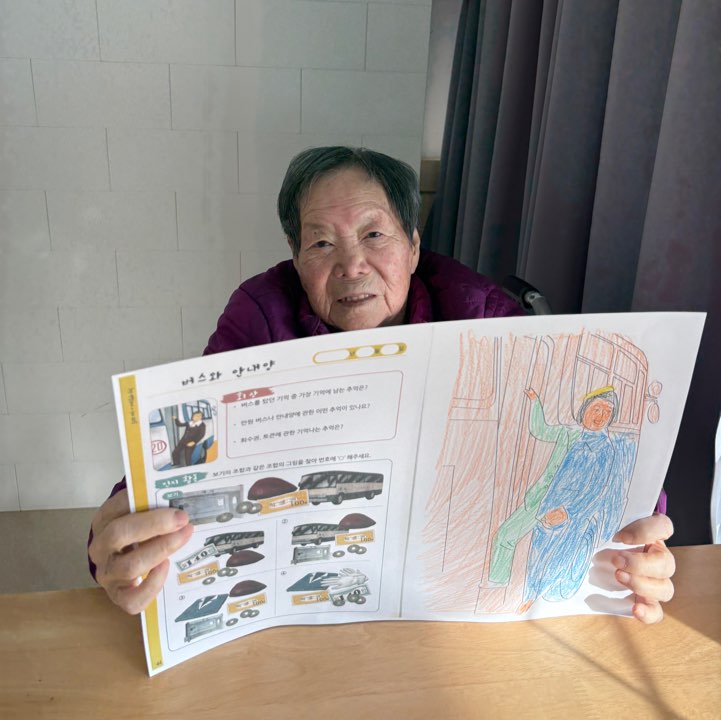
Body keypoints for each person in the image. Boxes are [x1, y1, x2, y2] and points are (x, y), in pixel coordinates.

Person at [88, 146, 675, 621]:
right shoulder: (260, 317)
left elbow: (610, 464)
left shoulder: (482, 316)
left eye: (374, 235)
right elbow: (183, 462)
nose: (351, 266)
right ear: (296, 257)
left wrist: (642, 543)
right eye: (322, 242)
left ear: (414, 246)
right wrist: (121, 542)